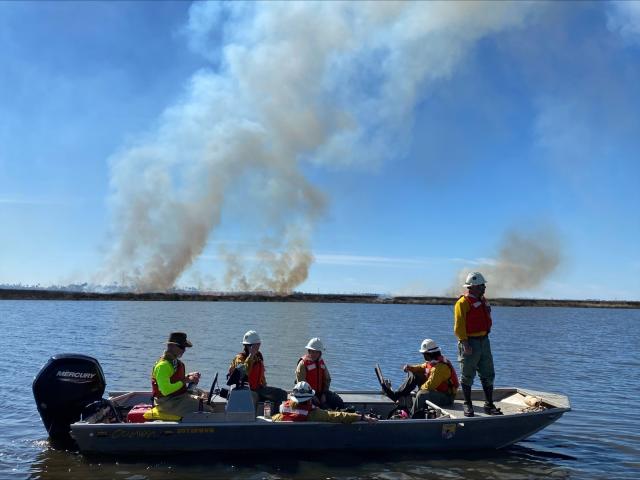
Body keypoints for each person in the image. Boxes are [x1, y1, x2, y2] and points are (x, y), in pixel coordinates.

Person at [454, 271, 502, 417]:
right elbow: (459, 326)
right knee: (467, 374)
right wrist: (465, 344)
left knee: (488, 373)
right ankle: (467, 404)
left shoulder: (483, 301)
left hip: (484, 341)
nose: (484, 288)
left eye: (484, 285)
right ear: (473, 287)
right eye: (481, 285)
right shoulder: (462, 303)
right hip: (470, 342)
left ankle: (489, 404)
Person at [381, 339, 459, 414]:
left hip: (446, 397)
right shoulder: (433, 361)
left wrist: (419, 391)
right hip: (437, 390)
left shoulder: (440, 367)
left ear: (429, 354)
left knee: (421, 395)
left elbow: (430, 385)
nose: (423, 355)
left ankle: (412, 416)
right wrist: (410, 368)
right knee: (415, 374)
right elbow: (422, 367)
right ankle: (397, 395)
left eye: (424, 354)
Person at [151, 332, 213, 417]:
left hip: (177, 398)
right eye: (182, 347)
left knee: (204, 396)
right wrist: (186, 380)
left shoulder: (173, 362)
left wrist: (188, 376)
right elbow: (165, 391)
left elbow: (174, 379)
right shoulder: (163, 366)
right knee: (207, 410)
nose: (184, 350)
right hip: (167, 403)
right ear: (171, 346)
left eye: (185, 347)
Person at [228, 330, 287, 412]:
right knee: (253, 397)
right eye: (257, 344)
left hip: (259, 388)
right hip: (245, 390)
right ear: (249, 346)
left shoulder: (258, 356)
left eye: (259, 344)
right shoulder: (240, 358)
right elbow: (244, 373)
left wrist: (264, 384)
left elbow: (262, 374)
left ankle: (276, 416)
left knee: (282, 394)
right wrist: (250, 356)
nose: (259, 346)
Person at [272, 381, 377, 423]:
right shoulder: (314, 414)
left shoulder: (283, 409)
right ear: (309, 398)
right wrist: (361, 417)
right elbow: (337, 416)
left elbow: (274, 418)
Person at [295, 337, 345, 410]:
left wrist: (324, 394)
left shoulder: (321, 362)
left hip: (321, 393)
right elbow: (301, 382)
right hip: (306, 394)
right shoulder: (303, 363)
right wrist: (312, 396)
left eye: (317, 352)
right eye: (312, 351)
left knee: (338, 402)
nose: (314, 354)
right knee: (319, 408)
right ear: (309, 351)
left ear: (320, 353)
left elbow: (327, 379)